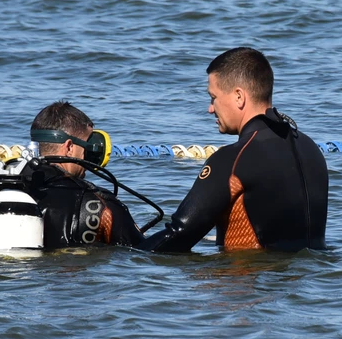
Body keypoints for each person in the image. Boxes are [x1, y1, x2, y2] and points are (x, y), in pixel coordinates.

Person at [140, 47, 328, 252]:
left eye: (213, 97)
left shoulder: (233, 159)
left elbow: (176, 237)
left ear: (239, 96)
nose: (210, 108)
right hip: (310, 281)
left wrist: (124, 248)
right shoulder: (311, 149)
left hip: (250, 279)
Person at [0, 101, 144, 250]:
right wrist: (176, 228)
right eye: (88, 147)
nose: (89, 157)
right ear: (69, 147)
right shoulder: (98, 205)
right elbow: (143, 254)